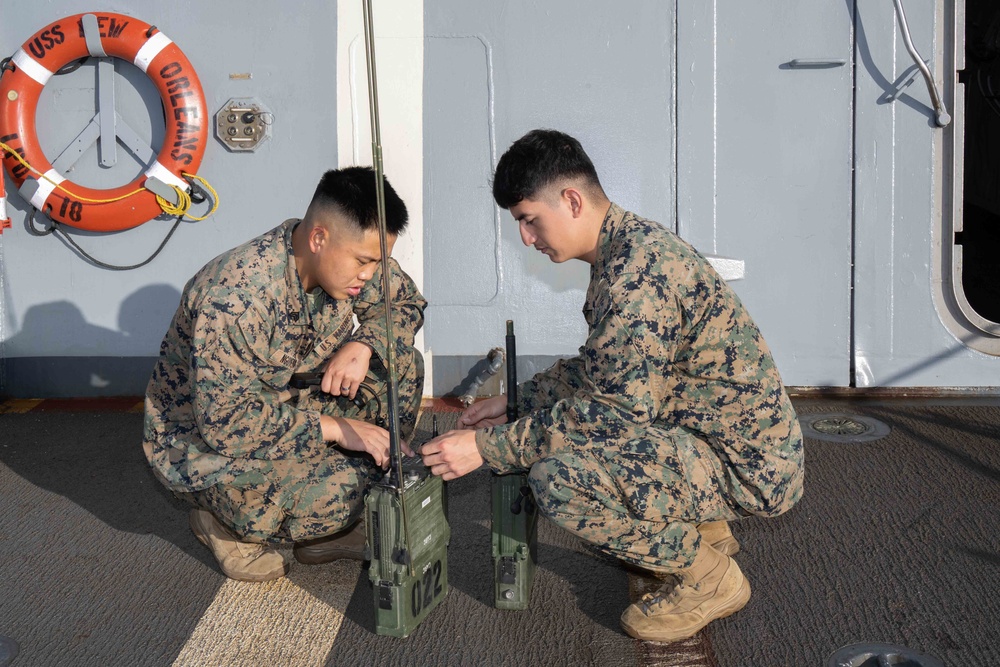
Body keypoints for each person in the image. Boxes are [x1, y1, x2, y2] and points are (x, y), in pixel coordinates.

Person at [419, 129, 804, 642]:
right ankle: (704, 530)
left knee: (560, 478)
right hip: (720, 439)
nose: (527, 239)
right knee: (574, 436)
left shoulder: (634, 278)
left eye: (529, 220)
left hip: (746, 466)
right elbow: (601, 370)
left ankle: (709, 578)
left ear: (572, 200)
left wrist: (486, 448)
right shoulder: (628, 249)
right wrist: (518, 400)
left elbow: (611, 415)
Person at [143, 166, 425, 582]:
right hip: (204, 438)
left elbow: (405, 306)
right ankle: (223, 524)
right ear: (318, 238)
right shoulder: (237, 297)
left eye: (377, 262)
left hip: (289, 400)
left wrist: (363, 343)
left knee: (400, 365)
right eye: (364, 262)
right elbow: (227, 423)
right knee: (340, 493)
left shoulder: (353, 260)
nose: (369, 274)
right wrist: (334, 428)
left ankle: (326, 533)